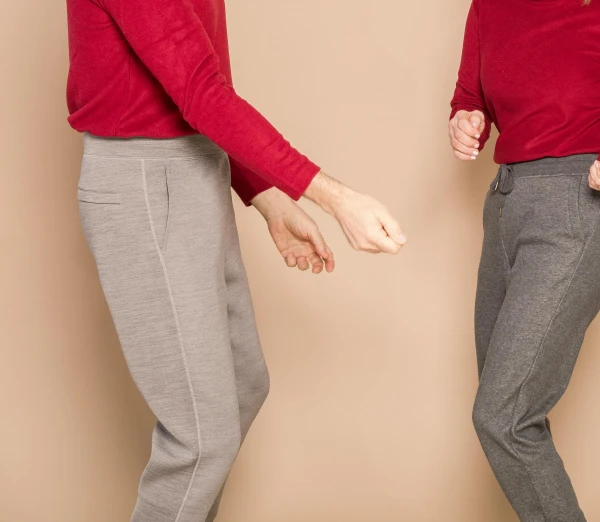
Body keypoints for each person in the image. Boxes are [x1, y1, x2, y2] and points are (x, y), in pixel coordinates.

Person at [66, 0, 406, 521]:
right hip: (142, 180)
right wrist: (337, 199)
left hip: (198, 170)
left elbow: (203, 90)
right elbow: (201, 93)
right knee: (201, 439)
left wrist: (265, 195)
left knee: (244, 385)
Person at [448, 0, 600, 519]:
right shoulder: (488, 9)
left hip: (579, 205)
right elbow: (469, 98)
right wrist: (466, 122)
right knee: (512, 409)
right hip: (504, 206)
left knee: (503, 415)